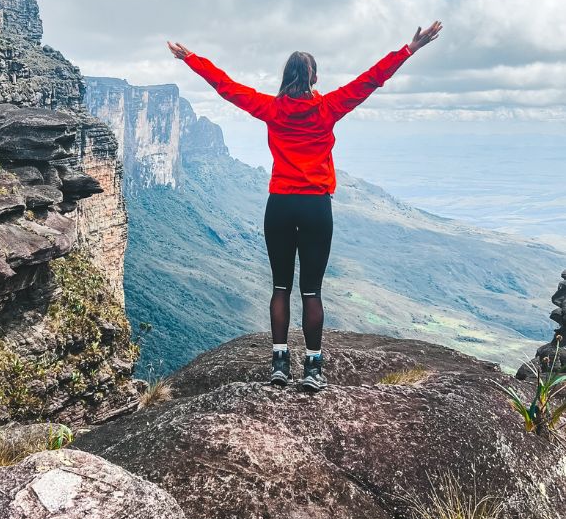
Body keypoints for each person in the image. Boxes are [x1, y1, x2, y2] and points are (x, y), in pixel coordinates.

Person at [167, 22, 442, 392]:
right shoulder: (328, 107)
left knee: (281, 286)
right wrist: (409, 48)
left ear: (285, 76)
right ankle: (313, 367)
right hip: (315, 207)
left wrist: (191, 59)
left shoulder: (270, 109)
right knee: (311, 291)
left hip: (280, 205)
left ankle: (279, 362)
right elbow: (370, 80)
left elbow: (226, 87)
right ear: (315, 77)